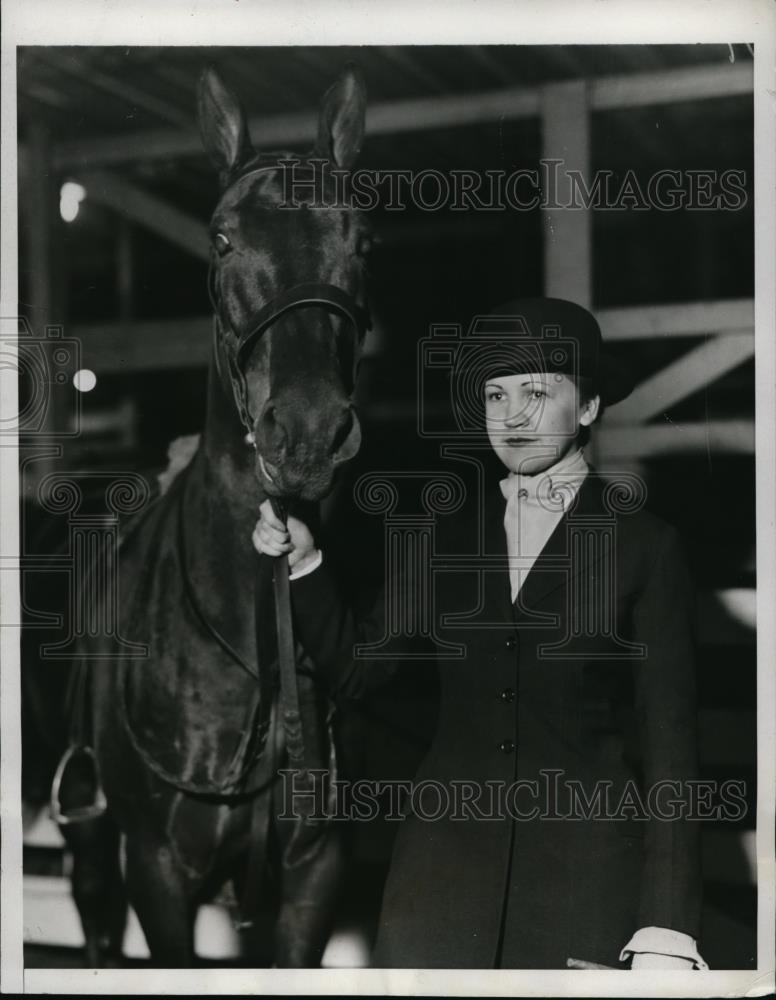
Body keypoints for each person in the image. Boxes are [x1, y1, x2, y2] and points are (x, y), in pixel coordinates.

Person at [253, 297, 707, 971]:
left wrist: (665, 929)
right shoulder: (439, 536)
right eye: (497, 394)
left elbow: (673, 753)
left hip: (584, 888)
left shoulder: (646, 547)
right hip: (439, 883)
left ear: (587, 408)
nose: (513, 416)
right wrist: (307, 562)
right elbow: (358, 670)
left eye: (536, 392)